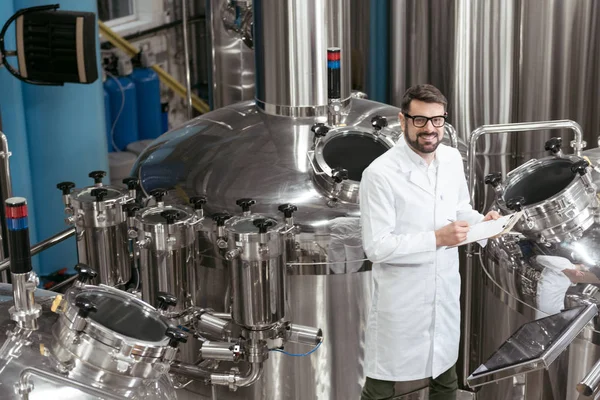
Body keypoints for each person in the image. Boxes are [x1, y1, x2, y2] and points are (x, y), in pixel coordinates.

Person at [359, 84, 500, 400]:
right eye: (420, 120)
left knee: (446, 377)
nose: (430, 129)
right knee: (381, 386)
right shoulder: (379, 174)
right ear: (402, 120)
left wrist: (483, 223)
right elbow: (377, 247)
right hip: (402, 300)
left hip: (444, 289)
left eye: (437, 120)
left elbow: (460, 208)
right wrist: (436, 239)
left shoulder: (451, 159)